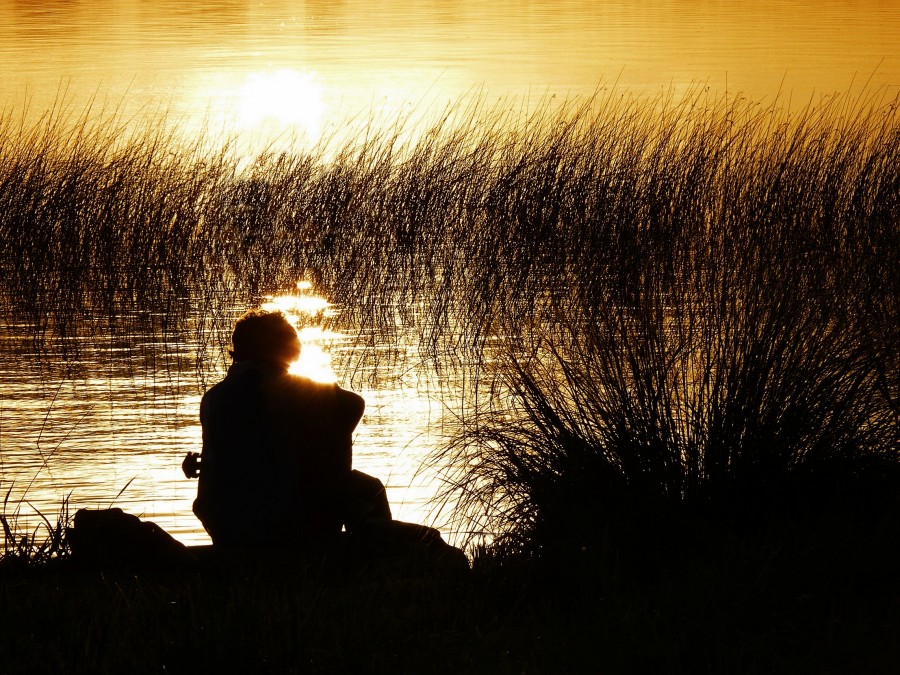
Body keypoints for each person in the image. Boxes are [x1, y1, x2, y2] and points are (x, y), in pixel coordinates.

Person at [187, 308, 392, 547]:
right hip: (280, 521)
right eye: (293, 338)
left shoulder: (213, 397)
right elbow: (354, 403)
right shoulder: (292, 388)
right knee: (366, 487)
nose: (299, 343)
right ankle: (375, 557)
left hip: (223, 523)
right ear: (279, 346)